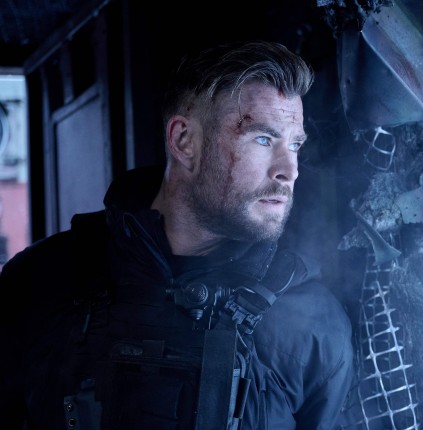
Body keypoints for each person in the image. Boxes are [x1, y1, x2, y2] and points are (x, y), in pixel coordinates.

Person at [0, 40, 354, 430]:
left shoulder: (316, 324)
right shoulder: (38, 281)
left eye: (295, 144)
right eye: (263, 139)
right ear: (184, 140)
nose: (289, 170)